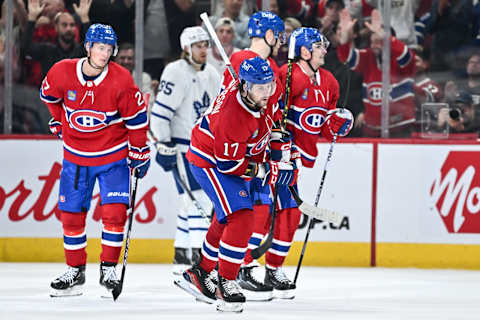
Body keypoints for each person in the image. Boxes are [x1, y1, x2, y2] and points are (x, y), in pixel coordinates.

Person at [176, 57, 295, 313]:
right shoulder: (232, 115)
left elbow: (268, 128)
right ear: (243, 87)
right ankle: (226, 281)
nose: (267, 92)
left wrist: (281, 150)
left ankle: (201, 272)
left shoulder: (260, 94)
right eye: (259, 87)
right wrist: (268, 169)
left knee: (225, 216)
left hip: (231, 158)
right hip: (209, 161)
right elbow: (229, 166)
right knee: (241, 216)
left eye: (269, 85)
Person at [40, 23, 150, 297]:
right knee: (71, 214)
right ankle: (75, 271)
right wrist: (58, 119)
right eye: (100, 47)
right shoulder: (62, 71)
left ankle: (108, 268)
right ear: (88, 47)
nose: (105, 54)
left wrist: (139, 150)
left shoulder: (121, 79)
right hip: (76, 157)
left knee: (114, 212)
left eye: (109, 49)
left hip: (112, 155)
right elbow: (49, 96)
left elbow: (136, 120)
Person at [218, 11, 290, 301]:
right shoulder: (238, 60)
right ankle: (227, 270)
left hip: (260, 149)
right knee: (238, 213)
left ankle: (245, 265)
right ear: (269, 35)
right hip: (238, 150)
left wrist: (277, 143)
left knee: (260, 209)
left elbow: (273, 113)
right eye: (279, 35)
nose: (281, 41)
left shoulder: (272, 66)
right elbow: (225, 108)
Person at [150, 26, 221, 275]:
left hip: (205, 147)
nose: (203, 50)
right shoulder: (175, 72)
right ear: (186, 48)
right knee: (198, 199)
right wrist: (164, 143)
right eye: (198, 45)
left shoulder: (212, 73)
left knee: (188, 201)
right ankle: (199, 261)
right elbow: (160, 113)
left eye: (205, 45)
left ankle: (181, 254)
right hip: (182, 147)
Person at [337, 8, 416, 137]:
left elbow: (406, 55)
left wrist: (384, 36)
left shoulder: (402, 60)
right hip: (371, 130)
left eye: (380, 42)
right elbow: (347, 58)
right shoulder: (368, 57)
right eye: (373, 42)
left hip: (400, 129)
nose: (375, 45)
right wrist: (345, 39)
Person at [114, 42, 155, 108]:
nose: (126, 61)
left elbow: (148, 104)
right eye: (122, 58)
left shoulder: (144, 78)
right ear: (116, 59)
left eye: (129, 58)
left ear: (135, 61)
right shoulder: (106, 77)